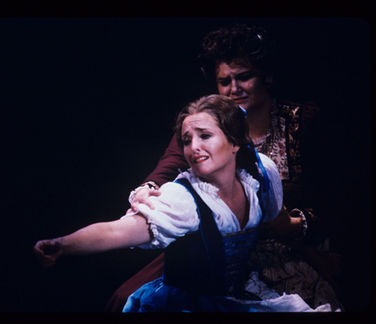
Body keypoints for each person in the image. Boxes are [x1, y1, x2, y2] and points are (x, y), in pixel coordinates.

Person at [105, 24, 343, 312]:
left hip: (284, 249)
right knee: (125, 300)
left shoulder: (304, 122)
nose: (234, 89)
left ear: (266, 77)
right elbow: (169, 164)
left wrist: (291, 225)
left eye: (244, 77)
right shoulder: (205, 127)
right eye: (224, 81)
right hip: (213, 251)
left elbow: (335, 199)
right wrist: (148, 188)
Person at [34, 95, 335, 312]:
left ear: (234, 143)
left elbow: (278, 220)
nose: (194, 147)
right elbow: (117, 231)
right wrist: (64, 244)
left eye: (205, 136)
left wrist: (310, 229)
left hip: (239, 294)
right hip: (184, 304)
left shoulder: (260, 176)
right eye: (187, 140)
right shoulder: (184, 198)